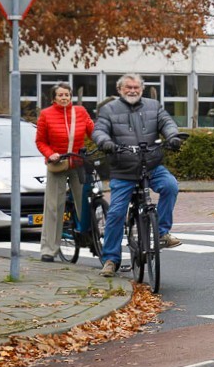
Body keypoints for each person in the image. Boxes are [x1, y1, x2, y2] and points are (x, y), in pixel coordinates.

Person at [92, 73, 183, 277]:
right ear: (120, 90)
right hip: (123, 169)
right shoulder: (109, 109)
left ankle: (162, 233)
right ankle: (111, 260)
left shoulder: (154, 106)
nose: (132, 90)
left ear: (142, 89)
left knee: (170, 186)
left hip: (151, 164)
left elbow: (167, 123)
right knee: (116, 213)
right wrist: (105, 142)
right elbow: (99, 130)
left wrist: (173, 136)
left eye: (136, 87)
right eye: (128, 87)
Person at [35, 82, 95, 262]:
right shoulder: (46, 115)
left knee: (86, 202)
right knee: (53, 206)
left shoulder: (80, 112)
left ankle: (91, 239)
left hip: (78, 162)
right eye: (60, 95)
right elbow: (40, 141)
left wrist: (105, 141)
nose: (64, 98)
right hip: (58, 164)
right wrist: (50, 154)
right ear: (54, 98)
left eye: (67, 95)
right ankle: (49, 249)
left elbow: (93, 131)